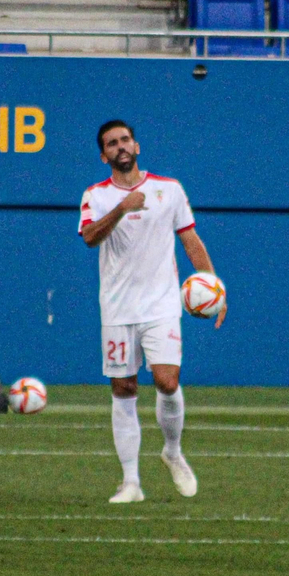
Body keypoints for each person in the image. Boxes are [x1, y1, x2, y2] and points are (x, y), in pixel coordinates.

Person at [80, 120, 224, 503]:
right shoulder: (95, 195)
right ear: (104, 155)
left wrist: (214, 289)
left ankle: (172, 451)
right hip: (117, 308)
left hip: (161, 305)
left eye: (125, 139)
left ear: (137, 145)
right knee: (123, 388)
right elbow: (90, 237)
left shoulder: (169, 189)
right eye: (112, 144)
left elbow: (190, 240)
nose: (120, 147)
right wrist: (122, 209)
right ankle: (131, 483)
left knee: (166, 381)